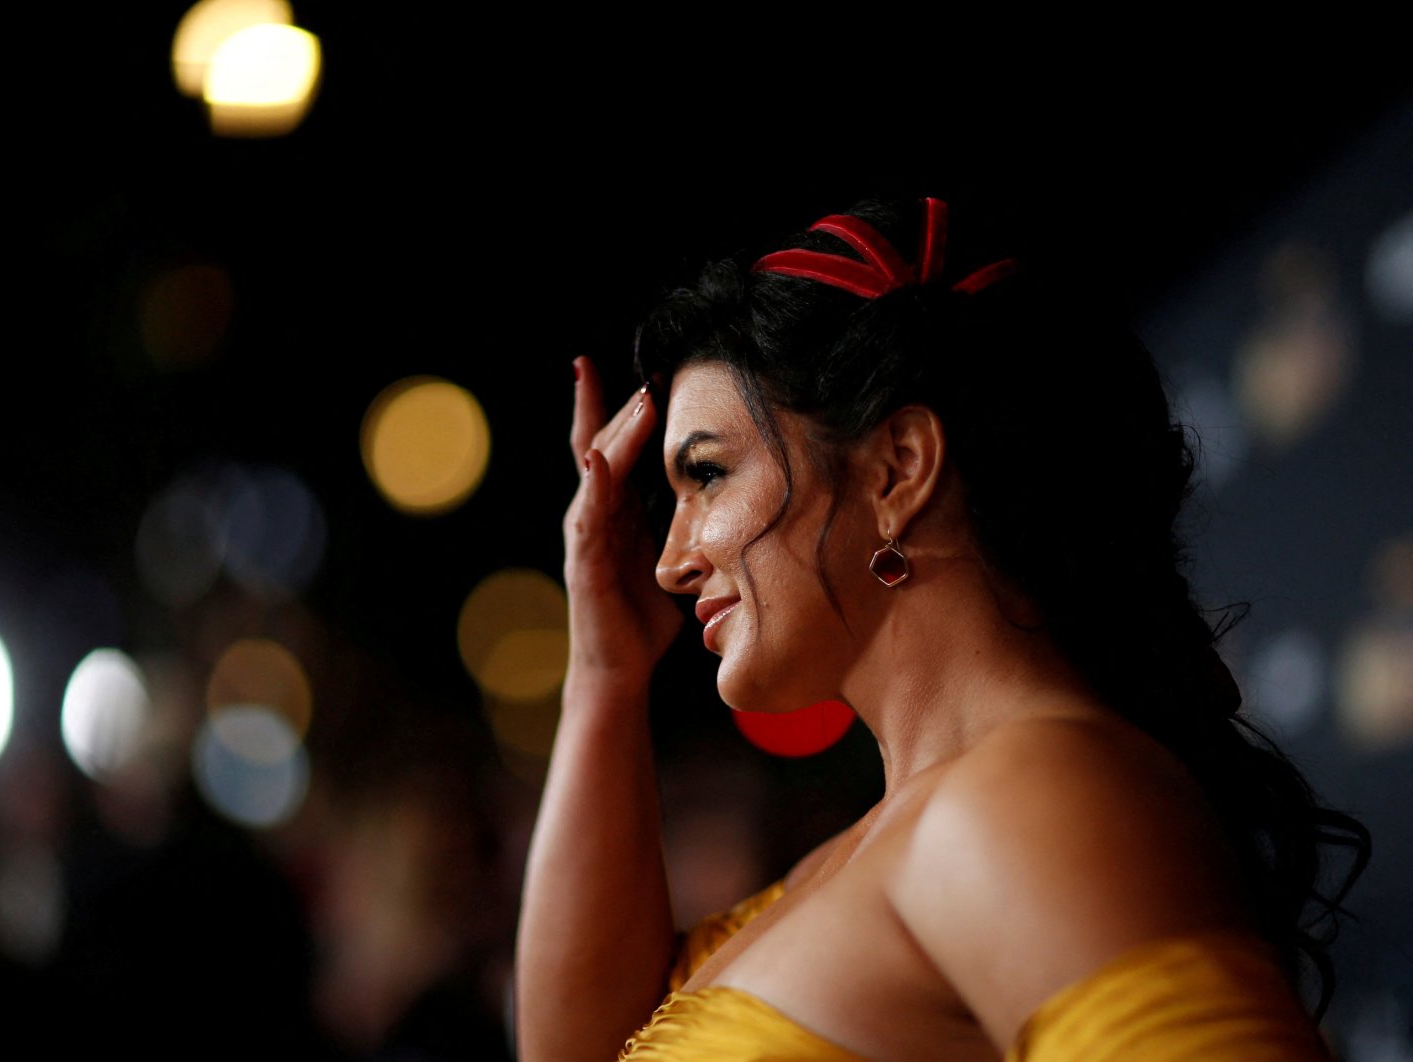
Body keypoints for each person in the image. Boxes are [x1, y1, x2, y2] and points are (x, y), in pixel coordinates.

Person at [515, 197, 1369, 1060]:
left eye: (707, 474)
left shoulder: (1027, 797)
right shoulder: (895, 837)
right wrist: (604, 671)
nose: (670, 562)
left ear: (899, 468)